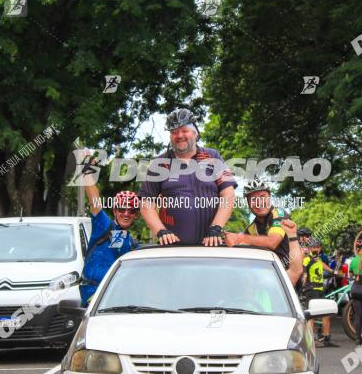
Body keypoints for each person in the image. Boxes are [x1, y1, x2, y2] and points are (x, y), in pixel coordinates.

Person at [138, 108, 236, 246]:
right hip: (172, 248)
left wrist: (216, 227)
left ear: (195, 133)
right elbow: (146, 202)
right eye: (174, 132)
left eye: (184, 130)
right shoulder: (159, 163)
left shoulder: (213, 156)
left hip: (211, 245)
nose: (179, 135)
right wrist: (160, 231)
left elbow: (228, 193)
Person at [78, 165, 139, 307]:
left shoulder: (131, 243)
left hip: (116, 298)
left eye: (131, 211)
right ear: (115, 210)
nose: (126, 213)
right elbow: (95, 202)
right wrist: (86, 169)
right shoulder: (104, 226)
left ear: (136, 215)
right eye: (122, 209)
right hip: (93, 295)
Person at [224, 179, 291, 268]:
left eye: (263, 197)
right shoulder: (251, 228)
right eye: (253, 199)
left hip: (288, 275)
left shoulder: (279, 214)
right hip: (267, 273)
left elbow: (272, 242)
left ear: (270, 197)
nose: (259, 203)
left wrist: (240, 238)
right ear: (248, 203)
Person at [302, 238, 338, 347]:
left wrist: (334, 272)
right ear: (309, 249)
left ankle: (326, 339)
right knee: (312, 316)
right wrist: (304, 279)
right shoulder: (307, 259)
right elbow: (303, 272)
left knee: (326, 314)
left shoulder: (318, 259)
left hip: (320, 290)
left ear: (320, 248)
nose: (315, 249)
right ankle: (310, 341)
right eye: (313, 247)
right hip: (311, 290)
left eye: (317, 247)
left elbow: (323, 266)